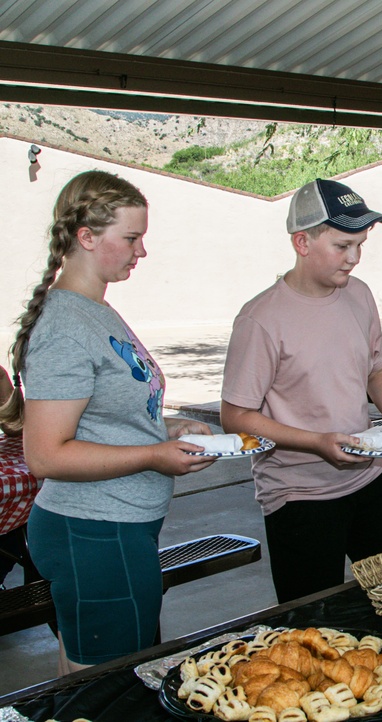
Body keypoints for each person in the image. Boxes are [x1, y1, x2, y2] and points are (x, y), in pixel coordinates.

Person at [0, 170, 217, 673]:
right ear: (87, 237)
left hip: (117, 528)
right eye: (132, 238)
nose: (141, 252)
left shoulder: (94, 309)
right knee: (107, 688)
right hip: (92, 533)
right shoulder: (65, 326)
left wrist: (166, 430)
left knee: (88, 678)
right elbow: (46, 453)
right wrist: (152, 455)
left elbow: (100, 419)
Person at [220, 178, 382, 604]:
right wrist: (316, 443)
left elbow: (377, 369)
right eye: (342, 245)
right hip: (300, 493)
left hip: (371, 475)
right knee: (314, 624)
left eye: (361, 245)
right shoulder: (260, 319)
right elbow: (236, 416)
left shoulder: (360, 296)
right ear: (302, 242)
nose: (354, 259)